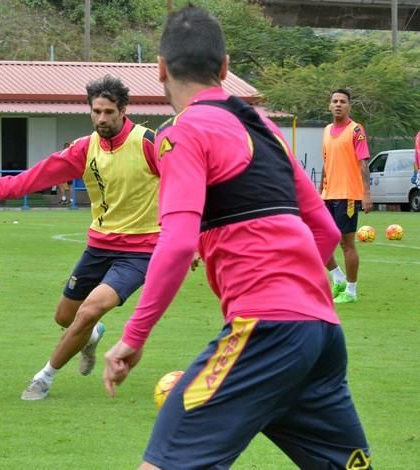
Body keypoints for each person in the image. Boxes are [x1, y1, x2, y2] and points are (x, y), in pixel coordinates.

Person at [102, 6, 371, 469]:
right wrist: (297, 295)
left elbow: (179, 242)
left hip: (266, 331)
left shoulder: (183, 133)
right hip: (321, 333)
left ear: (161, 70)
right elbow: (325, 230)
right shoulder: (265, 129)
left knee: (164, 463)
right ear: (225, 67)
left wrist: (134, 335)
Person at [0, 75, 159, 401]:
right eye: (96, 112)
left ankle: (44, 378)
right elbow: (39, 175)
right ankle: (89, 339)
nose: (102, 119)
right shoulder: (84, 148)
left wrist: (194, 239)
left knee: (89, 311)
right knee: (65, 317)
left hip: (140, 251)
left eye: (108, 112)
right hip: (99, 246)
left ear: (123, 110)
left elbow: (186, 185)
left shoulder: (148, 143)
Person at [319, 88, 372, 304]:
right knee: (318, 240)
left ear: (349, 106)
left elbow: (363, 163)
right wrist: (319, 191)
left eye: (342, 101)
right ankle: (338, 278)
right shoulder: (326, 130)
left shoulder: (356, 130)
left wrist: (366, 193)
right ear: (329, 105)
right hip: (327, 195)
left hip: (348, 194)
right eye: (335, 101)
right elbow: (325, 163)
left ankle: (351, 291)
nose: (338, 104)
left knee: (346, 244)